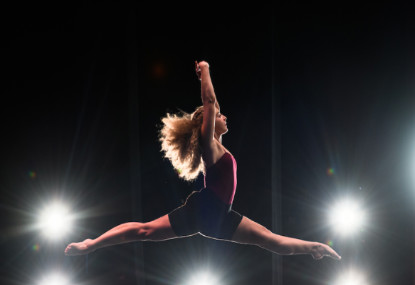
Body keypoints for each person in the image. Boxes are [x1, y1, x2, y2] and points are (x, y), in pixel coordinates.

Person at [64, 61, 341, 261]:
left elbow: (212, 105)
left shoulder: (218, 148)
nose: (224, 116)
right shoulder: (209, 146)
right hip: (204, 211)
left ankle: (314, 247)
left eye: (221, 115)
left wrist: (209, 90)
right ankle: (92, 244)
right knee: (144, 231)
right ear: (207, 123)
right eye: (220, 116)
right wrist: (205, 69)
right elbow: (209, 102)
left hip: (219, 217)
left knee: (270, 239)